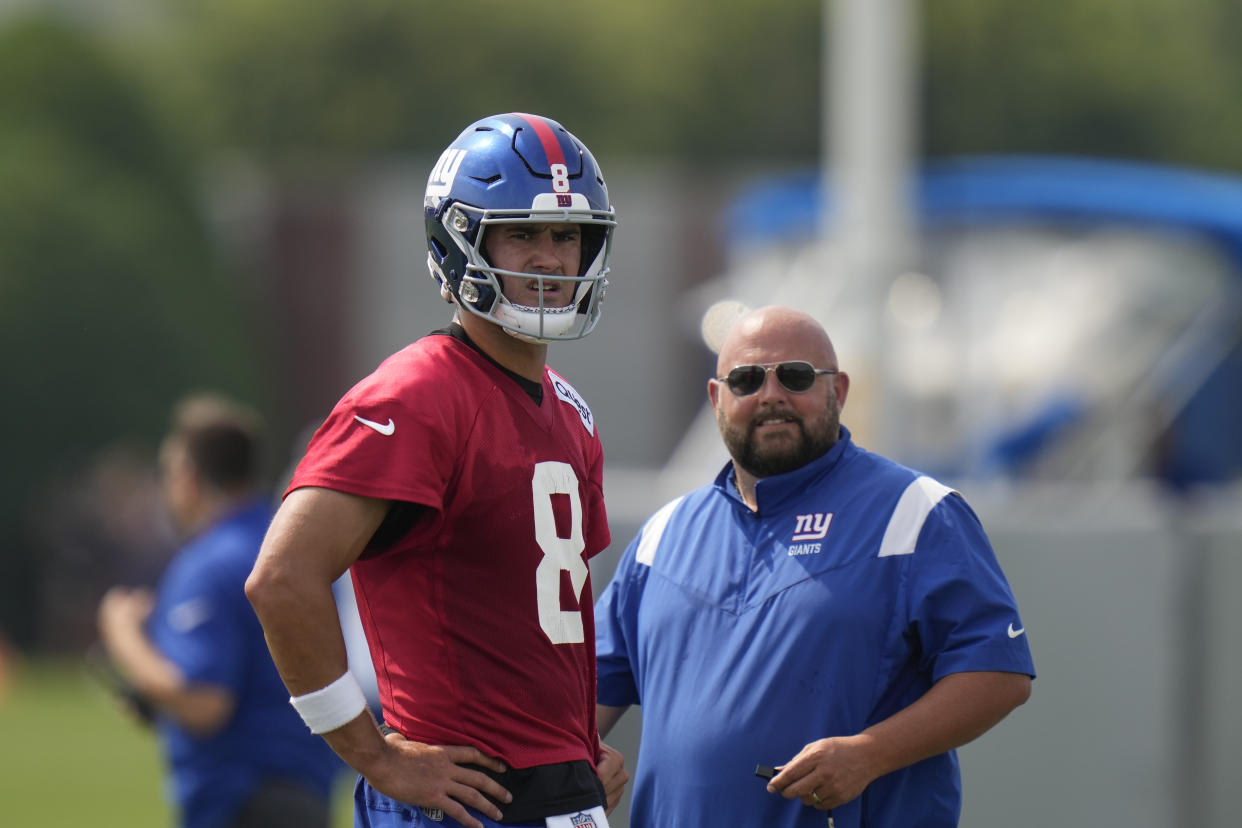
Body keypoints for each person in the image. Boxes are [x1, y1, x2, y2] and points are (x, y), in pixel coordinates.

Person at [245, 112, 626, 828]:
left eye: (566, 235)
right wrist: (375, 756)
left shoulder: (569, 406)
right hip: (465, 798)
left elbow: (547, 617)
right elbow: (280, 577)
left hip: (563, 790)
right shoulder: (416, 395)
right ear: (460, 239)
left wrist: (578, 744)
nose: (548, 259)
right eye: (521, 232)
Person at [595, 305, 1036, 828]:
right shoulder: (663, 536)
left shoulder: (915, 512)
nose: (771, 394)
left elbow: (998, 673)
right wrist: (575, 762)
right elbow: (582, 696)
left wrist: (870, 753)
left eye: (797, 376)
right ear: (717, 398)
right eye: (747, 379)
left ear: (839, 391)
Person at [95, 393, 342, 828]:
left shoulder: (210, 564)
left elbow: (203, 703)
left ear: (189, 479)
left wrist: (122, 634)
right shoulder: (286, 544)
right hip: (307, 789)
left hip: (245, 800)